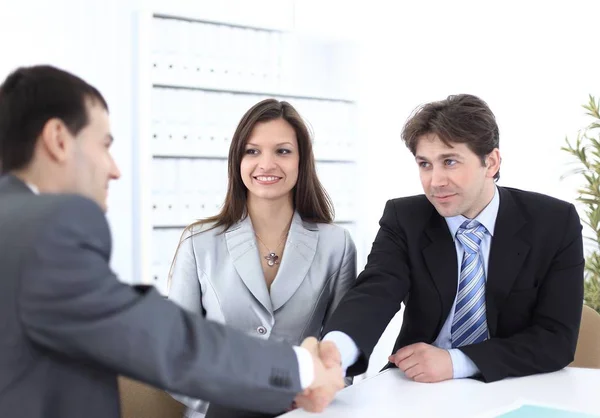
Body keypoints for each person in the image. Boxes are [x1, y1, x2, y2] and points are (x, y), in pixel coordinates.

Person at [0, 65, 344, 418]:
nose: (114, 169)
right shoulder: (43, 229)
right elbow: (164, 339)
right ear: (58, 139)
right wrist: (298, 369)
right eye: (104, 145)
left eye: (283, 151)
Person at [321, 94, 584, 394]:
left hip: (513, 383)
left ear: (491, 162)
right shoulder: (405, 218)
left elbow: (555, 340)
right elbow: (374, 293)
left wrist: (457, 361)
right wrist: (333, 354)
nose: (435, 181)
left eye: (449, 162)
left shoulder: (553, 222)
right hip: (419, 388)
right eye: (425, 164)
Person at [167, 98, 357, 418]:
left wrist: (317, 394)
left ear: (301, 160)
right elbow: (174, 352)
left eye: (282, 151)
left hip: (302, 411)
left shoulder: (336, 245)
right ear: (237, 160)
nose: (266, 164)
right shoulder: (198, 242)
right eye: (252, 151)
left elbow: (342, 352)